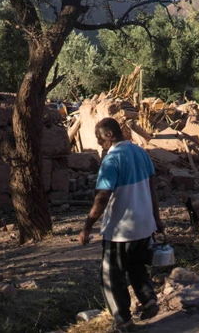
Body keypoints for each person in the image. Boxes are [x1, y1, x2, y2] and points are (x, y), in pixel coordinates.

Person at [79, 117, 163, 330]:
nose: (98, 142)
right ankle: (149, 300)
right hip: (144, 225)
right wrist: (157, 218)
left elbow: (102, 197)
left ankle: (123, 321)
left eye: (99, 137)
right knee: (136, 266)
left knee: (112, 276)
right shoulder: (140, 153)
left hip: (120, 230)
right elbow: (152, 189)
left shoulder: (111, 159)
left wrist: (88, 226)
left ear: (109, 135)